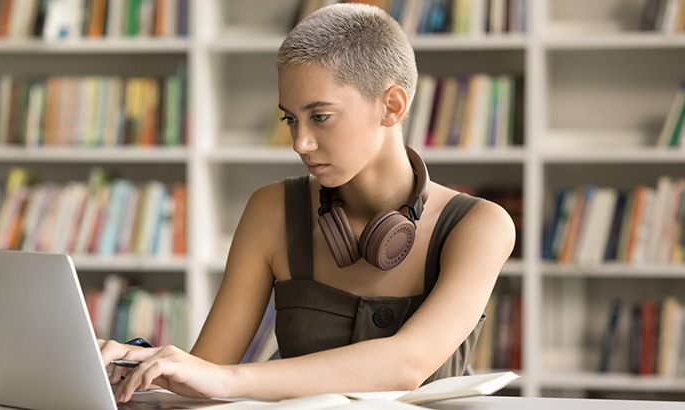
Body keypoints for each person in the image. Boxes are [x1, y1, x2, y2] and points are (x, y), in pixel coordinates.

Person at [100, 3, 515, 403]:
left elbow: (407, 364)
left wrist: (224, 379)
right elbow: (207, 369)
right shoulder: (271, 211)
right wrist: (138, 365)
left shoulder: (479, 226)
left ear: (391, 106)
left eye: (320, 116)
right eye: (290, 119)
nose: (300, 143)